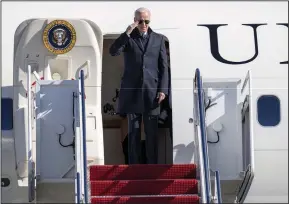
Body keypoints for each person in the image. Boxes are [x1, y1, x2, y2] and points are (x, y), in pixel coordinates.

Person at [109, 7, 169, 164]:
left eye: (146, 21)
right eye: (140, 21)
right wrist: (127, 32)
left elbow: (163, 67)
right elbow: (113, 51)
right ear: (135, 20)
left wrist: (163, 90)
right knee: (133, 132)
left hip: (152, 93)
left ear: (150, 20)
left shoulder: (159, 39)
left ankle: (152, 166)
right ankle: (134, 167)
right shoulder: (129, 38)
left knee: (152, 133)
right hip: (132, 93)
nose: (143, 24)